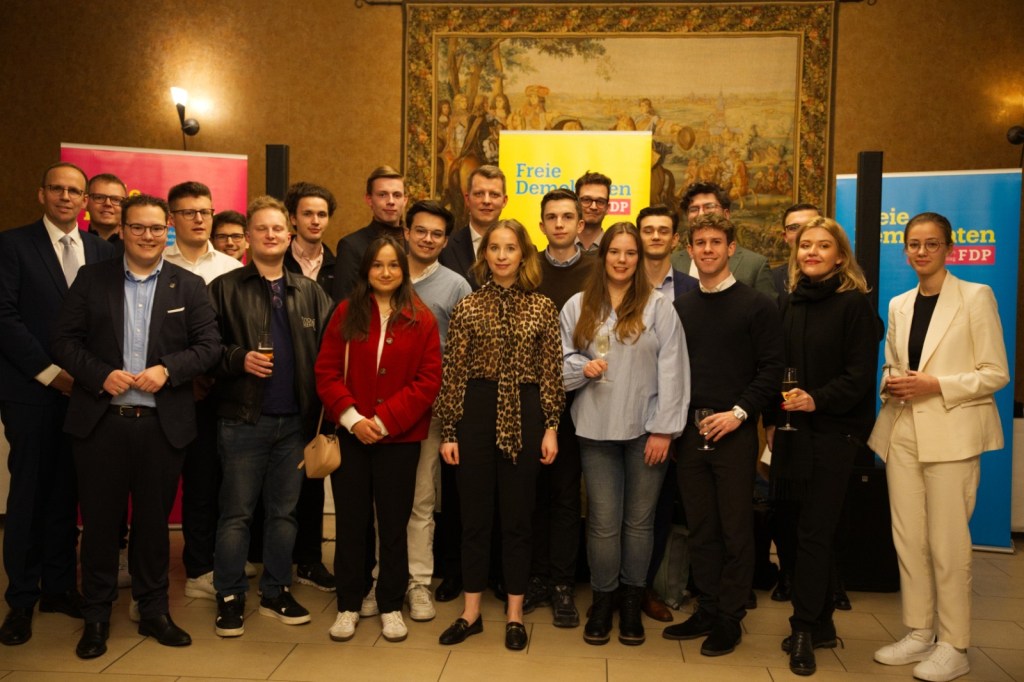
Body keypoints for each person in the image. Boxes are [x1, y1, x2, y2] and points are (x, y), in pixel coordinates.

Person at [51, 193, 221, 658]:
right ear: (121, 230)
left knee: (153, 526)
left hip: (161, 425)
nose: (147, 236)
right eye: (137, 227)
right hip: (102, 421)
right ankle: (97, 616)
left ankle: (154, 612)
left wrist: (168, 368)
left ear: (167, 228)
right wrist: (97, 374)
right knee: (102, 525)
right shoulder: (92, 279)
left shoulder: (187, 286)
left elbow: (210, 346)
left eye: (155, 228)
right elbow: (62, 341)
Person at [868, 212, 1009, 682]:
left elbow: (995, 372)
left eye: (930, 244)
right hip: (903, 430)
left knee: (948, 543)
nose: (921, 252)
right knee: (908, 539)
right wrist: (893, 383)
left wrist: (936, 384)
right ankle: (919, 630)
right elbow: (893, 366)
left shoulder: (975, 297)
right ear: (905, 249)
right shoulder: (899, 303)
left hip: (951, 432)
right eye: (913, 244)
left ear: (948, 248)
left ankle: (955, 644)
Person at [207, 196, 334, 638]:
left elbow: (331, 354)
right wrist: (237, 358)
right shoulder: (224, 288)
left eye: (278, 228)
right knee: (237, 514)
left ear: (290, 233)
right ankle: (230, 594)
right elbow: (205, 351)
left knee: (284, 514)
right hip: (244, 419)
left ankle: (276, 590)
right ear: (247, 236)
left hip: (296, 423)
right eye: (261, 228)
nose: (271, 235)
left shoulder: (311, 291)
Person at [0, 162, 115, 646]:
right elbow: (4, 317)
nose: (67, 197)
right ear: (41, 193)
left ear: (86, 201)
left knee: (70, 494)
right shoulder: (13, 245)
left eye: (76, 191)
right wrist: (52, 374)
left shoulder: (100, 250)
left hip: (85, 394)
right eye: (58, 189)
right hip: (32, 391)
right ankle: (21, 600)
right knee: (30, 493)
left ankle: (60, 587)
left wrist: (88, 376)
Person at [434, 219, 563, 651]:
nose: (502, 255)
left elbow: (551, 374)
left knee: (518, 519)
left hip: (525, 412)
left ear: (524, 255)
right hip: (475, 408)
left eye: (511, 248)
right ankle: (470, 613)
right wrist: (449, 429)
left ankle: (513, 613)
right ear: (484, 255)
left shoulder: (543, 307)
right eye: (494, 248)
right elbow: (453, 372)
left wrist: (551, 427)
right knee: (474, 519)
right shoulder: (468, 307)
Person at [560, 222, 689, 647]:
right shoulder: (578, 306)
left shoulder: (658, 307)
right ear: (603, 255)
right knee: (601, 523)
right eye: (614, 251)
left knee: (638, 523)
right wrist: (583, 368)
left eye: (630, 253)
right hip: (595, 429)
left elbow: (674, 371)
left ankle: (632, 601)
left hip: (645, 432)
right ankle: (602, 600)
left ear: (639, 259)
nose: (621, 259)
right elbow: (558, 366)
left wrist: (664, 431)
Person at [661, 213, 784, 656]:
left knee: (736, 528)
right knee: (701, 527)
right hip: (691, 431)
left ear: (732, 248)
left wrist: (739, 413)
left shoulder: (757, 306)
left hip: (734, 429)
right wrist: (674, 428)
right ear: (689, 250)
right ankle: (708, 607)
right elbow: (671, 371)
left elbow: (771, 370)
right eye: (700, 243)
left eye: (716, 242)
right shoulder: (682, 307)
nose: (708, 249)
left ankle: (731, 618)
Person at [766, 216, 880, 676]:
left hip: (836, 434)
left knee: (814, 530)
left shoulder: (854, 306)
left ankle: (803, 630)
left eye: (823, 245)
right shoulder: (790, 303)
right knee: (794, 527)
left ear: (840, 255)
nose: (811, 251)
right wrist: (774, 420)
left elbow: (858, 378)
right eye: (805, 245)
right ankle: (824, 622)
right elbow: (778, 368)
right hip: (793, 433)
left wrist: (817, 399)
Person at [315, 235, 442, 644]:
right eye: (377, 265)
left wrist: (384, 422)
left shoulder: (420, 317)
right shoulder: (346, 312)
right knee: (351, 524)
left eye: (393, 265)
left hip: (399, 439)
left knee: (393, 524)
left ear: (403, 271)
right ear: (366, 270)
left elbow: (428, 381)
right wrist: (353, 419)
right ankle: (349, 604)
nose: (385, 272)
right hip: (351, 437)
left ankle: (389, 603)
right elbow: (327, 372)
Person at [163, 181, 243, 603]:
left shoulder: (230, 268)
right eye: (188, 212)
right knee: (157, 485)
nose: (198, 219)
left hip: (215, 391)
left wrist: (207, 374)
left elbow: (232, 333)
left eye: (205, 212)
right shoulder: (156, 261)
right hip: (162, 389)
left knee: (205, 482)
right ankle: (149, 573)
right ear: (171, 218)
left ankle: (200, 566)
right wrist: (182, 374)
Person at [523, 188, 596, 628]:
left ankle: (563, 583)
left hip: (579, 397)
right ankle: (534, 577)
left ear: (581, 224)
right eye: (552, 217)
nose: (560, 224)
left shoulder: (596, 270)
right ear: (542, 223)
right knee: (532, 493)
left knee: (568, 496)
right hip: (530, 399)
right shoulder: (530, 269)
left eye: (568, 216)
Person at [402, 200, 472, 622]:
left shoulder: (456, 286)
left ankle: (417, 583)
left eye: (437, 234)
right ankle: (382, 578)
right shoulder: (383, 273)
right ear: (406, 232)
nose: (428, 239)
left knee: (422, 501)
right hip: (381, 412)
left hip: (431, 412)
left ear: (445, 241)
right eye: (421, 231)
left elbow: (463, 357)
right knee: (383, 501)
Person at [634, 203, 697, 623]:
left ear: (675, 239)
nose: (655, 236)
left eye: (663, 231)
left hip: (672, 420)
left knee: (659, 509)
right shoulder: (618, 283)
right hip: (623, 415)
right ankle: (618, 588)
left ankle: (647, 591)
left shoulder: (693, 290)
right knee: (624, 512)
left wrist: (673, 424)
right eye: (648, 230)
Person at [283, 181, 339, 592]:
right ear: (292, 219)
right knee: (277, 480)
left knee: (314, 477)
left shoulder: (340, 267)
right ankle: (272, 561)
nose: (315, 220)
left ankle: (309, 559)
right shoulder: (273, 261)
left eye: (322, 214)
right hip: (281, 385)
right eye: (308, 213)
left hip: (325, 392)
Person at [671, 182, 776, 300]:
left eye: (709, 206)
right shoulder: (673, 263)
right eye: (694, 209)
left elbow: (768, 313)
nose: (701, 214)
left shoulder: (755, 265)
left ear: (726, 214)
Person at [332, 166, 407, 300]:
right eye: (382, 194)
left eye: (397, 195)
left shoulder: (415, 243)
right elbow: (343, 303)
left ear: (405, 200)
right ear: (369, 199)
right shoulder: (351, 246)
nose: (391, 201)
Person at [438, 165, 508, 289]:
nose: (486, 201)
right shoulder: (444, 249)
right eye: (479, 194)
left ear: (504, 201)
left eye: (494, 195)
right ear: (467, 199)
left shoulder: (523, 250)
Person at [771, 203, 821, 306]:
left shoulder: (847, 281)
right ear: (785, 236)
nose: (803, 232)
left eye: (811, 225)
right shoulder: (772, 279)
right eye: (794, 228)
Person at [85, 173, 128, 245]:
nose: (108, 204)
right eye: (99, 197)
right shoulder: (73, 247)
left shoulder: (135, 251)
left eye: (116, 200)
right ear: (85, 202)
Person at [575, 171, 612, 253]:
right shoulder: (562, 247)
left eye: (600, 201)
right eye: (586, 200)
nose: (593, 207)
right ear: (575, 203)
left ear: (607, 208)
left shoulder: (615, 248)